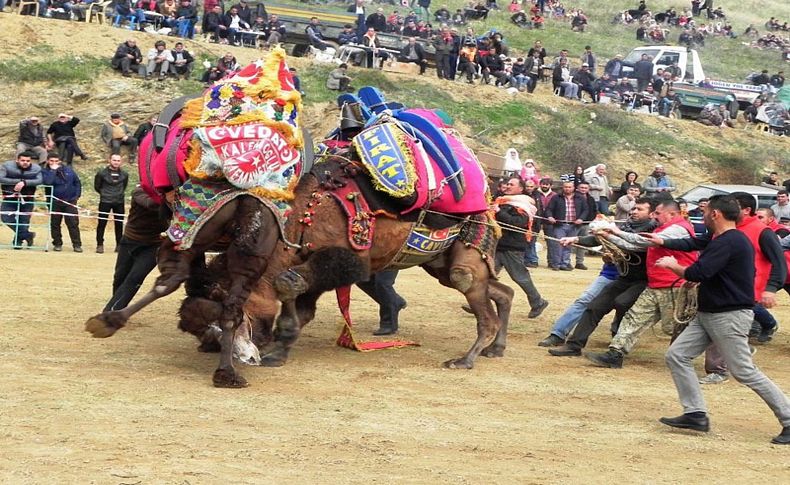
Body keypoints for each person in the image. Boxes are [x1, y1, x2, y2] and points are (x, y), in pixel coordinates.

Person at [656, 195, 790, 445]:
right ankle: (695, 414)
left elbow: (699, 272)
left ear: (715, 214)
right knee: (677, 355)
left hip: (728, 315)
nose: (702, 215)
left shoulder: (730, 241)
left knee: (744, 371)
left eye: (705, 212)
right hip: (710, 313)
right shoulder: (726, 240)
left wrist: (672, 265)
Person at [585, 200, 698, 368]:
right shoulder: (662, 229)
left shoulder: (679, 229)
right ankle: (615, 354)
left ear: (672, 214)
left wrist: (615, 230)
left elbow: (642, 241)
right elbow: (634, 245)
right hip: (656, 285)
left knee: (675, 326)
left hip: (675, 285)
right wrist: (609, 236)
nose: (654, 216)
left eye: (658, 213)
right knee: (634, 318)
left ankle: (683, 357)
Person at [549, 198, 657, 357]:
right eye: (633, 208)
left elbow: (633, 244)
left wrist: (615, 240)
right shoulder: (626, 226)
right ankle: (574, 345)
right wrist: (576, 239)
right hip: (624, 278)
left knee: (622, 303)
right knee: (594, 306)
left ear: (652, 214)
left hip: (643, 280)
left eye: (639, 209)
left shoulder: (653, 232)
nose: (634, 211)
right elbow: (602, 238)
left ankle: (617, 347)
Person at [104, 187, 170, 312]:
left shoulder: (173, 196)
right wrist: (170, 199)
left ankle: (111, 312)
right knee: (119, 276)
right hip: (130, 240)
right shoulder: (139, 191)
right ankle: (117, 304)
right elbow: (150, 204)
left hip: (154, 244)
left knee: (135, 278)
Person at [493, 177, 550, 318]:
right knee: (488, 274)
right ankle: (480, 301)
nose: (507, 186)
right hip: (499, 244)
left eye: (511, 184)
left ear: (520, 189)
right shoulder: (503, 200)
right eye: (507, 183)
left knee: (520, 277)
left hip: (512, 246)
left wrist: (498, 211)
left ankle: (538, 302)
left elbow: (517, 222)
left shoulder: (524, 205)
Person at [0, 152, 42, 248]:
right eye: (23, 160)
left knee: (24, 221)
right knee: (5, 217)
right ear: (17, 160)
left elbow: (40, 180)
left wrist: (25, 182)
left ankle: (17, 242)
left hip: (28, 198)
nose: (25, 162)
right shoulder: (7, 166)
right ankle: (28, 235)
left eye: (28, 161)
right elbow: (1, 178)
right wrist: (18, 182)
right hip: (9, 197)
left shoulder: (36, 168)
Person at [41, 154, 82, 252]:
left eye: (56, 161)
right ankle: (57, 243)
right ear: (47, 161)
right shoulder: (45, 171)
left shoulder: (68, 170)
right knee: (55, 223)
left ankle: (77, 244)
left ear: (60, 161)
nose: (54, 163)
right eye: (51, 161)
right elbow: (48, 182)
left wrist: (76, 195)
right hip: (54, 201)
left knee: (73, 223)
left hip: (70, 201)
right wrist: (53, 171)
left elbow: (77, 182)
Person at [545, 181, 590, 270]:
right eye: (566, 187)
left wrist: (581, 219)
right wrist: (550, 217)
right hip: (559, 225)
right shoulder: (556, 197)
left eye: (569, 187)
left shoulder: (580, 198)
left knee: (568, 245)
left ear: (573, 188)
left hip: (574, 225)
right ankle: (556, 264)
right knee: (559, 244)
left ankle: (564, 264)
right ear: (563, 188)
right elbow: (549, 209)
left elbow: (586, 210)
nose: (567, 189)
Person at [94, 154, 130, 254]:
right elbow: (97, 186)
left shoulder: (125, 174)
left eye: (118, 160)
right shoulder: (101, 173)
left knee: (119, 224)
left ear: (121, 162)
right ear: (109, 160)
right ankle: (100, 244)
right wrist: (105, 194)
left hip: (119, 201)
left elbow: (124, 186)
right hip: (105, 201)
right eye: (114, 160)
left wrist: (119, 194)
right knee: (102, 224)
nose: (116, 162)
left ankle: (119, 245)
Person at [356, 270, 407, 335]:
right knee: (362, 280)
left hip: (391, 261)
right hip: (375, 260)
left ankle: (388, 324)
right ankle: (396, 301)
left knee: (383, 283)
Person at [573, 181, 598, 270]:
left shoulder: (590, 199)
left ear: (588, 189)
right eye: (582, 188)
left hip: (586, 224)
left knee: (583, 243)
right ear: (577, 188)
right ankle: (566, 261)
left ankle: (579, 262)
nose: (583, 189)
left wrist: (590, 219)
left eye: (585, 188)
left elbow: (594, 210)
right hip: (573, 224)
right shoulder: (573, 197)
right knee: (569, 242)